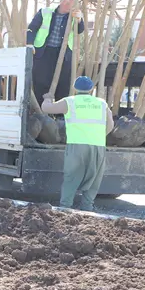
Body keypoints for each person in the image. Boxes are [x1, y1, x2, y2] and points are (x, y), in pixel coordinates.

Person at [41, 76, 114, 211]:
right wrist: (99, 136)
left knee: (72, 177)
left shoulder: (70, 102)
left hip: (77, 147)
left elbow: (46, 108)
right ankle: (87, 208)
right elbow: (110, 124)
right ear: (91, 89)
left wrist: (47, 97)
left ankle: (65, 208)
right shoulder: (101, 103)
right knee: (94, 179)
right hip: (98, 146)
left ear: (75, 88)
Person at [26, 0, 85, 103]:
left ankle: (60, 113)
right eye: (71, 4)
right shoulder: (45, 12)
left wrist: (79, 20)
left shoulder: (74, 15)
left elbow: (80, 30)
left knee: (63, 82)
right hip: (43, 52)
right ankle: (42, 109)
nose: (73, 7)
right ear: (64, 2)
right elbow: (32, 28)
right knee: (41, 80)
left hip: (64, 53)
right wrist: (30, 44)